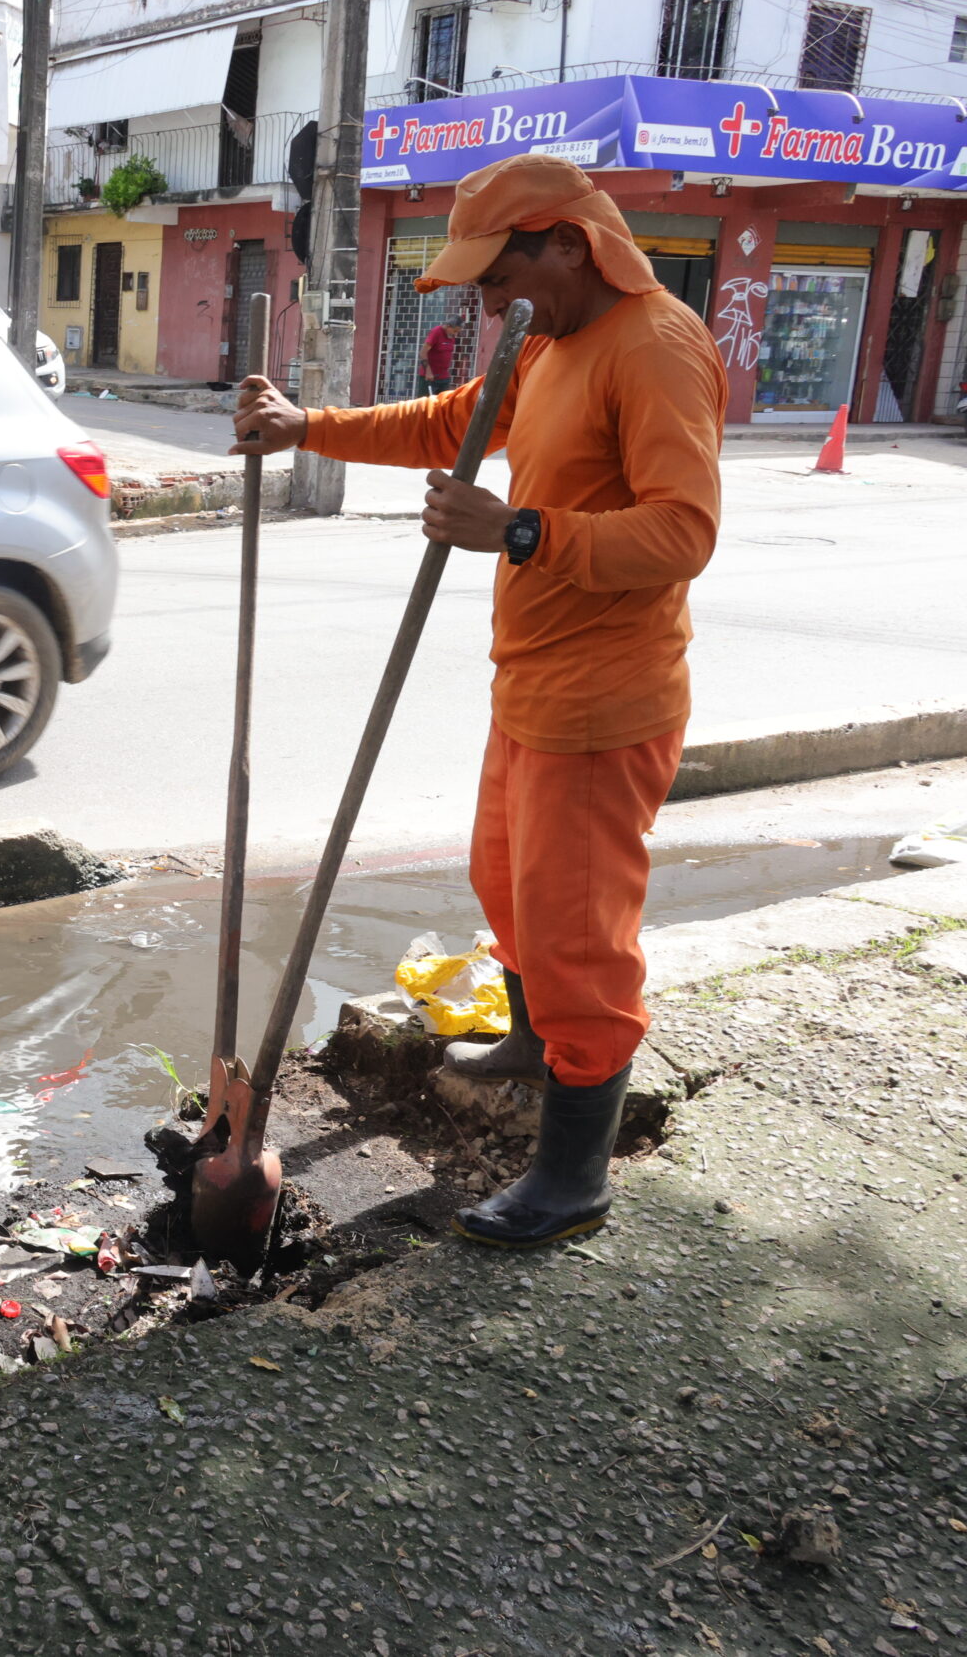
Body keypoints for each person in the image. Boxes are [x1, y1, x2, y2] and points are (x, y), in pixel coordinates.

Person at [232, 152, 725, 1249]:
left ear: (566, 242)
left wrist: (518, 530)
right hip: (532, 681)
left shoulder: (654, 349)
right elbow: (450, 422)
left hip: (605, 700)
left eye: (498, 276)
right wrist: (306, 426)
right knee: (503, 880)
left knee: (576, 932)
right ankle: (528, 1040)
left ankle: (571, 1176)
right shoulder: (548, 341)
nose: (487, 302)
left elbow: (683, 532)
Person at [419, 318, 458, 396]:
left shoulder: (451, 336)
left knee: (442, 404)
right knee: (425, 404)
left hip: (443, 377)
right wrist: (428, 371)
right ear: (448, 326)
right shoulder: (436, 332)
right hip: (430, 377)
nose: (455, 334)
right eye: (454, 331)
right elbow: (423, 352)